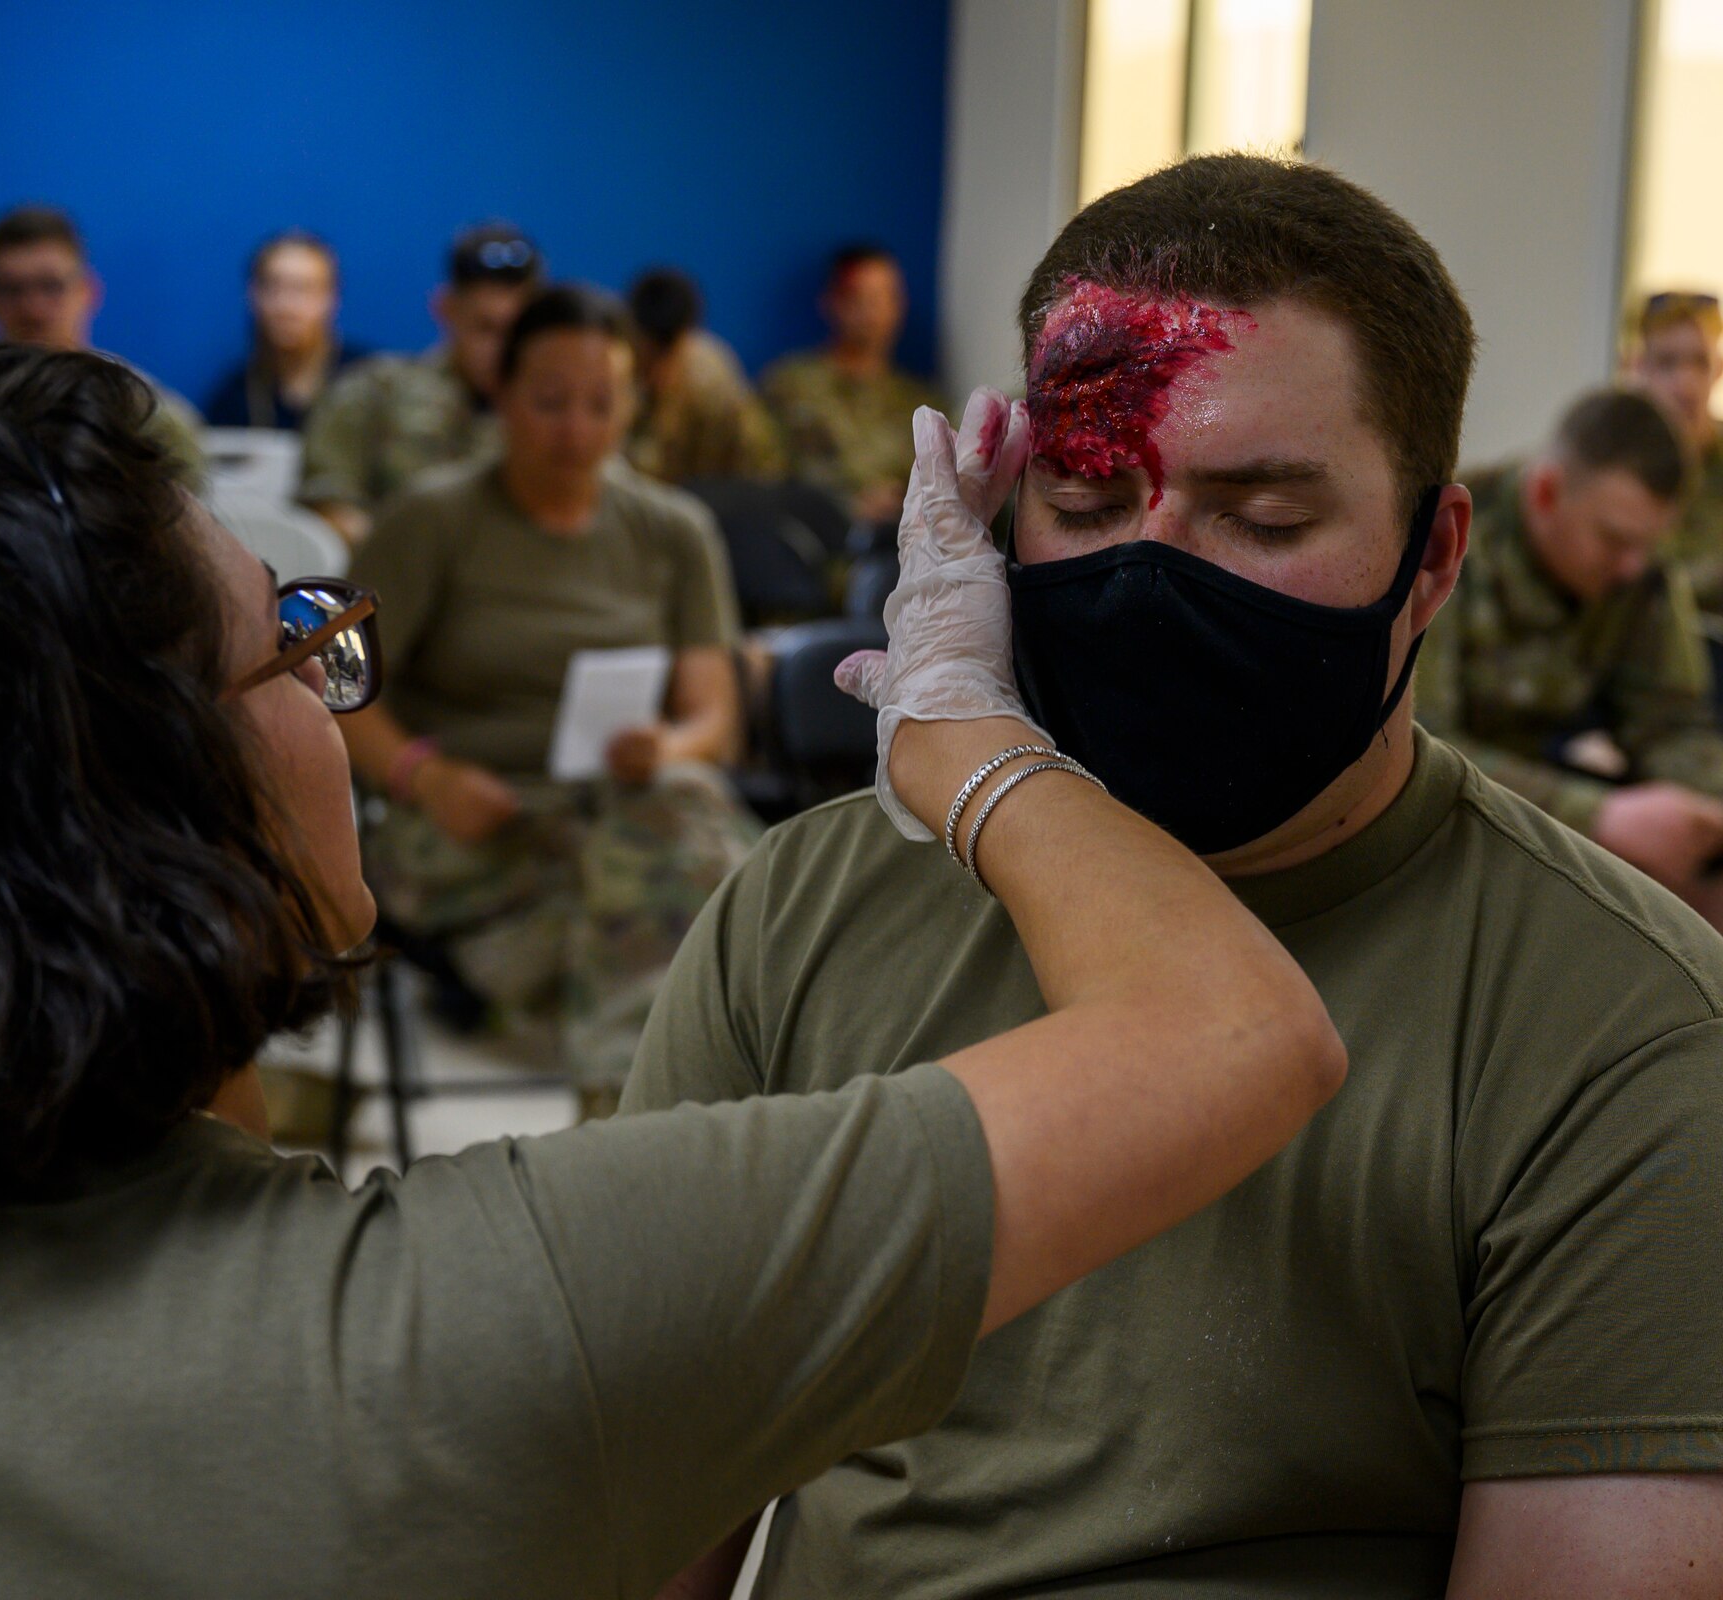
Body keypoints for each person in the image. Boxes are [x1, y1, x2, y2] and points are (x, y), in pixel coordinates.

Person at [0, 345, 1348, 1597]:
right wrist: (963, 720)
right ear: (152, 790)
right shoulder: (487, 1322)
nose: (331, 688)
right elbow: (1230, 1028)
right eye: (295, 642)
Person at [636, 153, 1723, 1600]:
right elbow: (632, 1513)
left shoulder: (1631, 1034)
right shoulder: (806, 912)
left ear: (1435, 556)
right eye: (1084, 509)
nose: (1148, 581)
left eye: (1263, 521)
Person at [338, 284, 759, 1116]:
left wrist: (664, 747)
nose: (577, 430)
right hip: (465, 827)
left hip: (614, 812)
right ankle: (649, 1135)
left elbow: (716, 722)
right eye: (551, 403)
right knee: (710, 888)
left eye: (602, 404)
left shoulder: (673, 530)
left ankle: (621, 1118)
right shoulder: (432, 521)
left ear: (634, 404)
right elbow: (337, 693)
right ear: (500, 393)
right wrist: (427, 777)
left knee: (672, 826)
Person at [1419, 389, 1723, 917]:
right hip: (1433, 834)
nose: (1633, 566)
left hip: (1542, 812)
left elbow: (1670, 725)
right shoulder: (1441, 543)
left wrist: (1707, 807)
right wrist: (1599, 817)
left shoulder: (1637, 571)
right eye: (1615, 540)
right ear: (1545, 493)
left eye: (1647, 545)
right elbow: (1416, 750)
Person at [297, 222, 542, 545]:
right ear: (446, 309)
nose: (500, 348)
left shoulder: (553, 416)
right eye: (485, 327)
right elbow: (327, 499)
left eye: (515, 330)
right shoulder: (375, 390)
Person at [0, 204, 206, 485]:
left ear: (87, 291)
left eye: (50, 286)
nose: (33, 309)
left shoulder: (146, 420)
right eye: (12, 289)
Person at [760, 243, 944, 524]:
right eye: (862, 299)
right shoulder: (789, 386)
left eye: (886, 298)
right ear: (833, 302)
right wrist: (846, 504)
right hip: (818, 542)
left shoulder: (921, 402)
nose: (875, 314)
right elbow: (768, 474)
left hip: (906, 548)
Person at [625, 267, 782, 484]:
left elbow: (756, 466)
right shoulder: (613, 365)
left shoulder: (714, 381)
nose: (658, 368)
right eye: (648, 351)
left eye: (668, 352)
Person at [203, 230, 370, 431]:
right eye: (273, 287)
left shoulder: (369, 386)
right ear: (252, 295)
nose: (286, 306)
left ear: (332, 298)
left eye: (303, 288)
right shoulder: (232, 399)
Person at [1629, 289, 1723, 612]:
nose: (1685, 383)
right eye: (1667, 363)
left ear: (1719, 369)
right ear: (1637, 367)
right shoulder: (1614, 461)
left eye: (1700, 363)